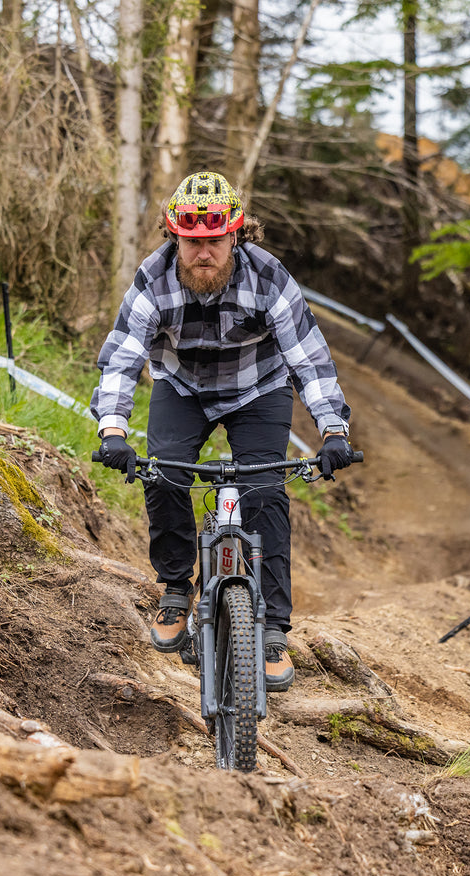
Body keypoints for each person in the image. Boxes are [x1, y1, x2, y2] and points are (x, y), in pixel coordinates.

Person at [91, 171, 355, 692]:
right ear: (175, 239)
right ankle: (173, 587)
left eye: (214, 240)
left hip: (259, 388)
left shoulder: (269, 277)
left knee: (264, 492)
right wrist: (113, 430)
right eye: (192, 242)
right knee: (164, 474)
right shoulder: (153, 278)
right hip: (183, 388)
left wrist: (333, 431)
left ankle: (275, 628)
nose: (203, 253)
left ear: (236, 235)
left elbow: (309, 358)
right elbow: (122, 358)